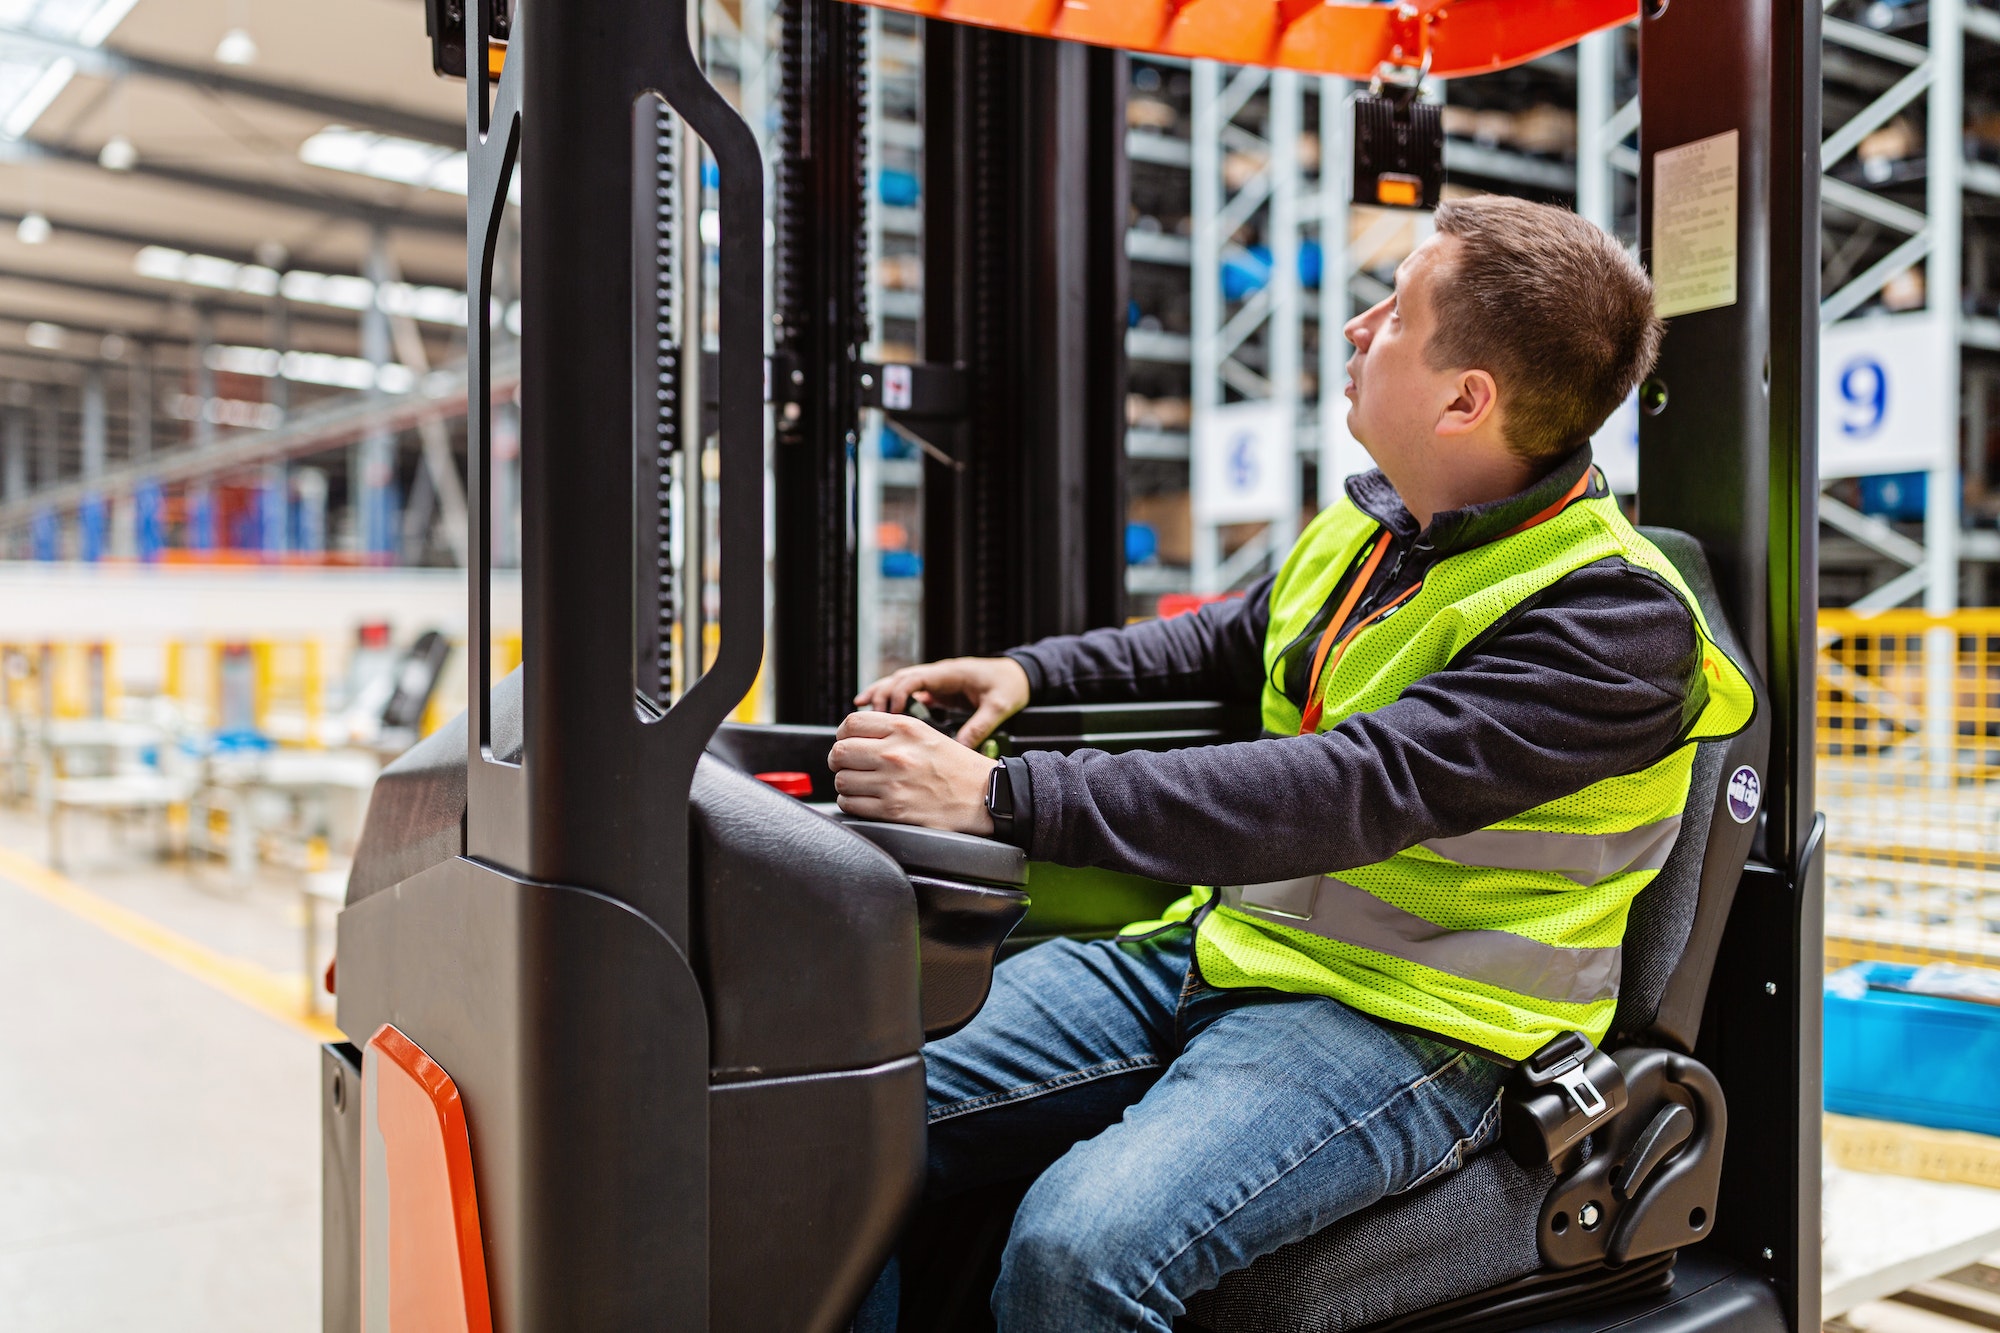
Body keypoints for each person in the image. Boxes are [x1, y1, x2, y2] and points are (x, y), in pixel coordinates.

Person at [830, 195, 1753, 1333]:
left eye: (1395, 314)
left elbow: (1352, 787)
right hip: (1228, 948)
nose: (1358, 327)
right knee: (849, 1102)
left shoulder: (1610, 623)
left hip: (1414, 1025)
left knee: (1077, 1246)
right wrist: (1028, 673)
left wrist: (999, 796)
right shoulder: (1379, 532)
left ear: (1466, 399)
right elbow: (1226, 635)